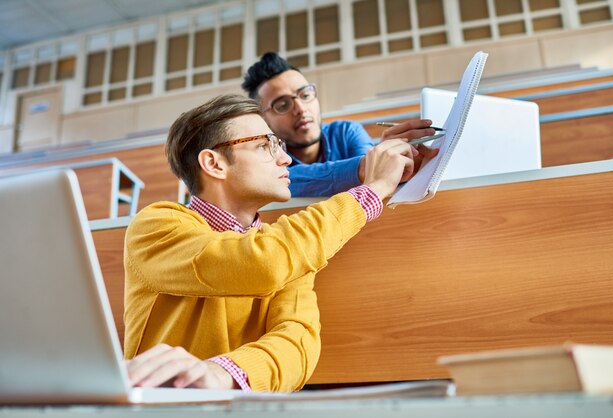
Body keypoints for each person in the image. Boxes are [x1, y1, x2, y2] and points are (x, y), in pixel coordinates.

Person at [123, 94, 420, 392]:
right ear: (214, 163)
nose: (286, 159)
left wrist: (221, 373)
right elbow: (258, 262)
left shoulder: (290, 250)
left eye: (278, 145)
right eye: (265, 145)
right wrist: (374, 189)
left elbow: (296, 343)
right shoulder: (155, 226)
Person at [242, 52, 437, 197]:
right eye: (283, 105)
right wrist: (367, 166)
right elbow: (286, 181)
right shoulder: (265, 160)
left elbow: (374, 180)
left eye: (305, 95)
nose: (301, 108)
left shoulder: (347, 131)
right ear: (263, 120)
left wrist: (387, 159)